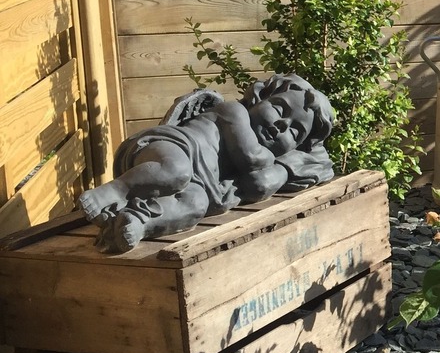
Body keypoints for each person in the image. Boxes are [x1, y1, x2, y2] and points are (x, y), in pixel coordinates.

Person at [79, 74, 335, 253]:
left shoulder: (264, 152)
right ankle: (116, 190)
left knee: (196, 204)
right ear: (259, 98)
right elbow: (250, 158)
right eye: (279, 109)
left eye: (295, 132)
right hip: (174, 147)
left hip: (200, 181)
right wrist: (276, 160)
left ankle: (137, 222)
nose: (282, 126)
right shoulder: (234, 112)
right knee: (176, 171)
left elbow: (257, 184)